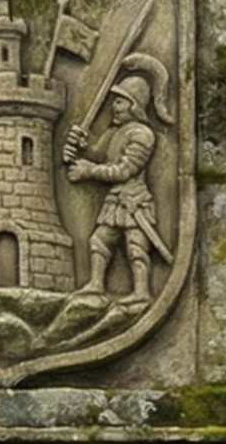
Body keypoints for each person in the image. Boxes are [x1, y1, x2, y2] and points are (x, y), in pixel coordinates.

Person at [70, 57, 171, 300]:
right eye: (115, 102)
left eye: (120, 102)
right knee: (100, 240)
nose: (114, 107)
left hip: (133, 199)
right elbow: (98, 153)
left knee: (136, 245)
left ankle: (141, 291)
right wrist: (81, 145)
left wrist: (89, 171)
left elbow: (123, 171)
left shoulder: (143, 135)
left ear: (134, 106)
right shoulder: (114, 132)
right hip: (115, 200)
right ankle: (96, 283)